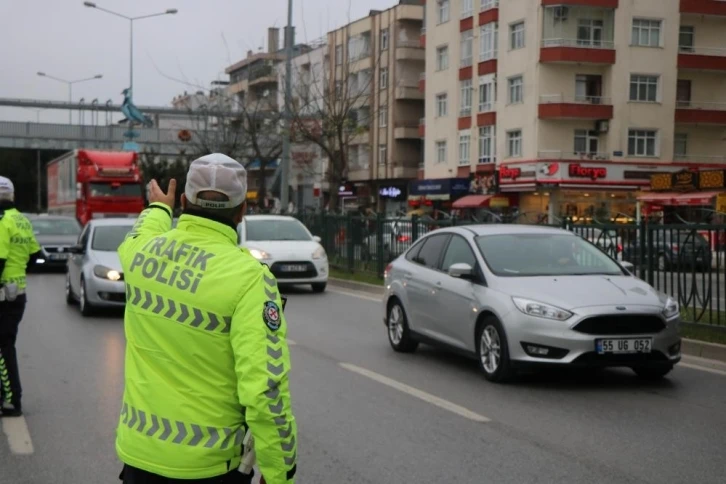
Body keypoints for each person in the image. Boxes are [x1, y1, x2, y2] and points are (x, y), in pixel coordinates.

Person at [116, 154, 297, 484]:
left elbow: (139, 234)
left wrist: (158, 208)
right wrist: (280, 474)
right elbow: (265, 392)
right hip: (210, 468)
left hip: (138, 458)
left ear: (183, 202)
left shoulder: (140, 255)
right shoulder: (251, 279)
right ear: (242, 212)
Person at [0, 176, 41, 418]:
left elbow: (0, 259)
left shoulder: (3, 221)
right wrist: (20, 274)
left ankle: (13, 401)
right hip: (18, 294)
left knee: (3, 347)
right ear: (12, 196)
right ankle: (7, 395)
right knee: (6, 345)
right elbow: (36, 255)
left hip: (4, 295)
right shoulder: (22, 220)